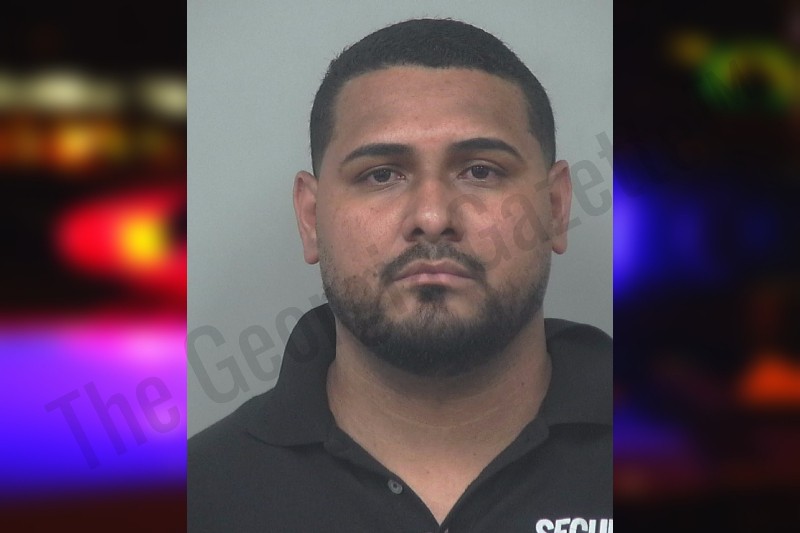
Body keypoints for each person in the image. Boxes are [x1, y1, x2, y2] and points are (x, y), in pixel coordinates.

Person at [188, 18, 612, 533]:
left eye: (480, 170)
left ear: (556, 208)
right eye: (381, 174)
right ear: (311, 219)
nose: (432, 217)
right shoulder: (198, 497)